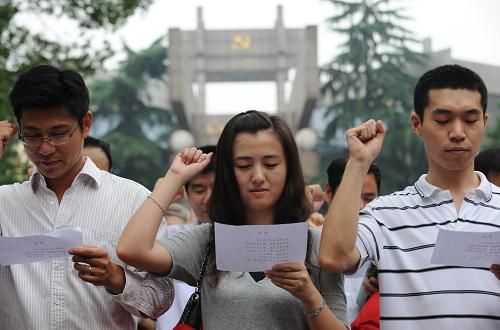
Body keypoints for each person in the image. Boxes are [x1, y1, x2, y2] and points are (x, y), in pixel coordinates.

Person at [118, 110, 348, 329]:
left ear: (289, 169)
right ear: (228, 171)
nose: (258, 176)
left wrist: (309, 296)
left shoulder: (318, 245)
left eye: (270, 164)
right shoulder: (208, 240)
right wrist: (174, 178)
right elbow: (132, 249)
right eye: (244, 165)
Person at [319, 64, 500, 329]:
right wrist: (358, 162)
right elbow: (335, 257)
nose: (458, 132)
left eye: (470, 120)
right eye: (442, 120)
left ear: (484, 122)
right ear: (417, 123)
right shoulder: (386, 214)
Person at [0, 65, 172, 329]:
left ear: (86, 124)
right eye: (32, 135)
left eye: (59, 133)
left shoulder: (134, 201)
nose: (45, 148)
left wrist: (117, 279)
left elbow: (161, 299)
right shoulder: (5, 204)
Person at [324, 156, 381, 326]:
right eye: (351, 196)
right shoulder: (307, 246)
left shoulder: (388, 254)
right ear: (328, 193)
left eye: (369, 198)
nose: (360, 206)